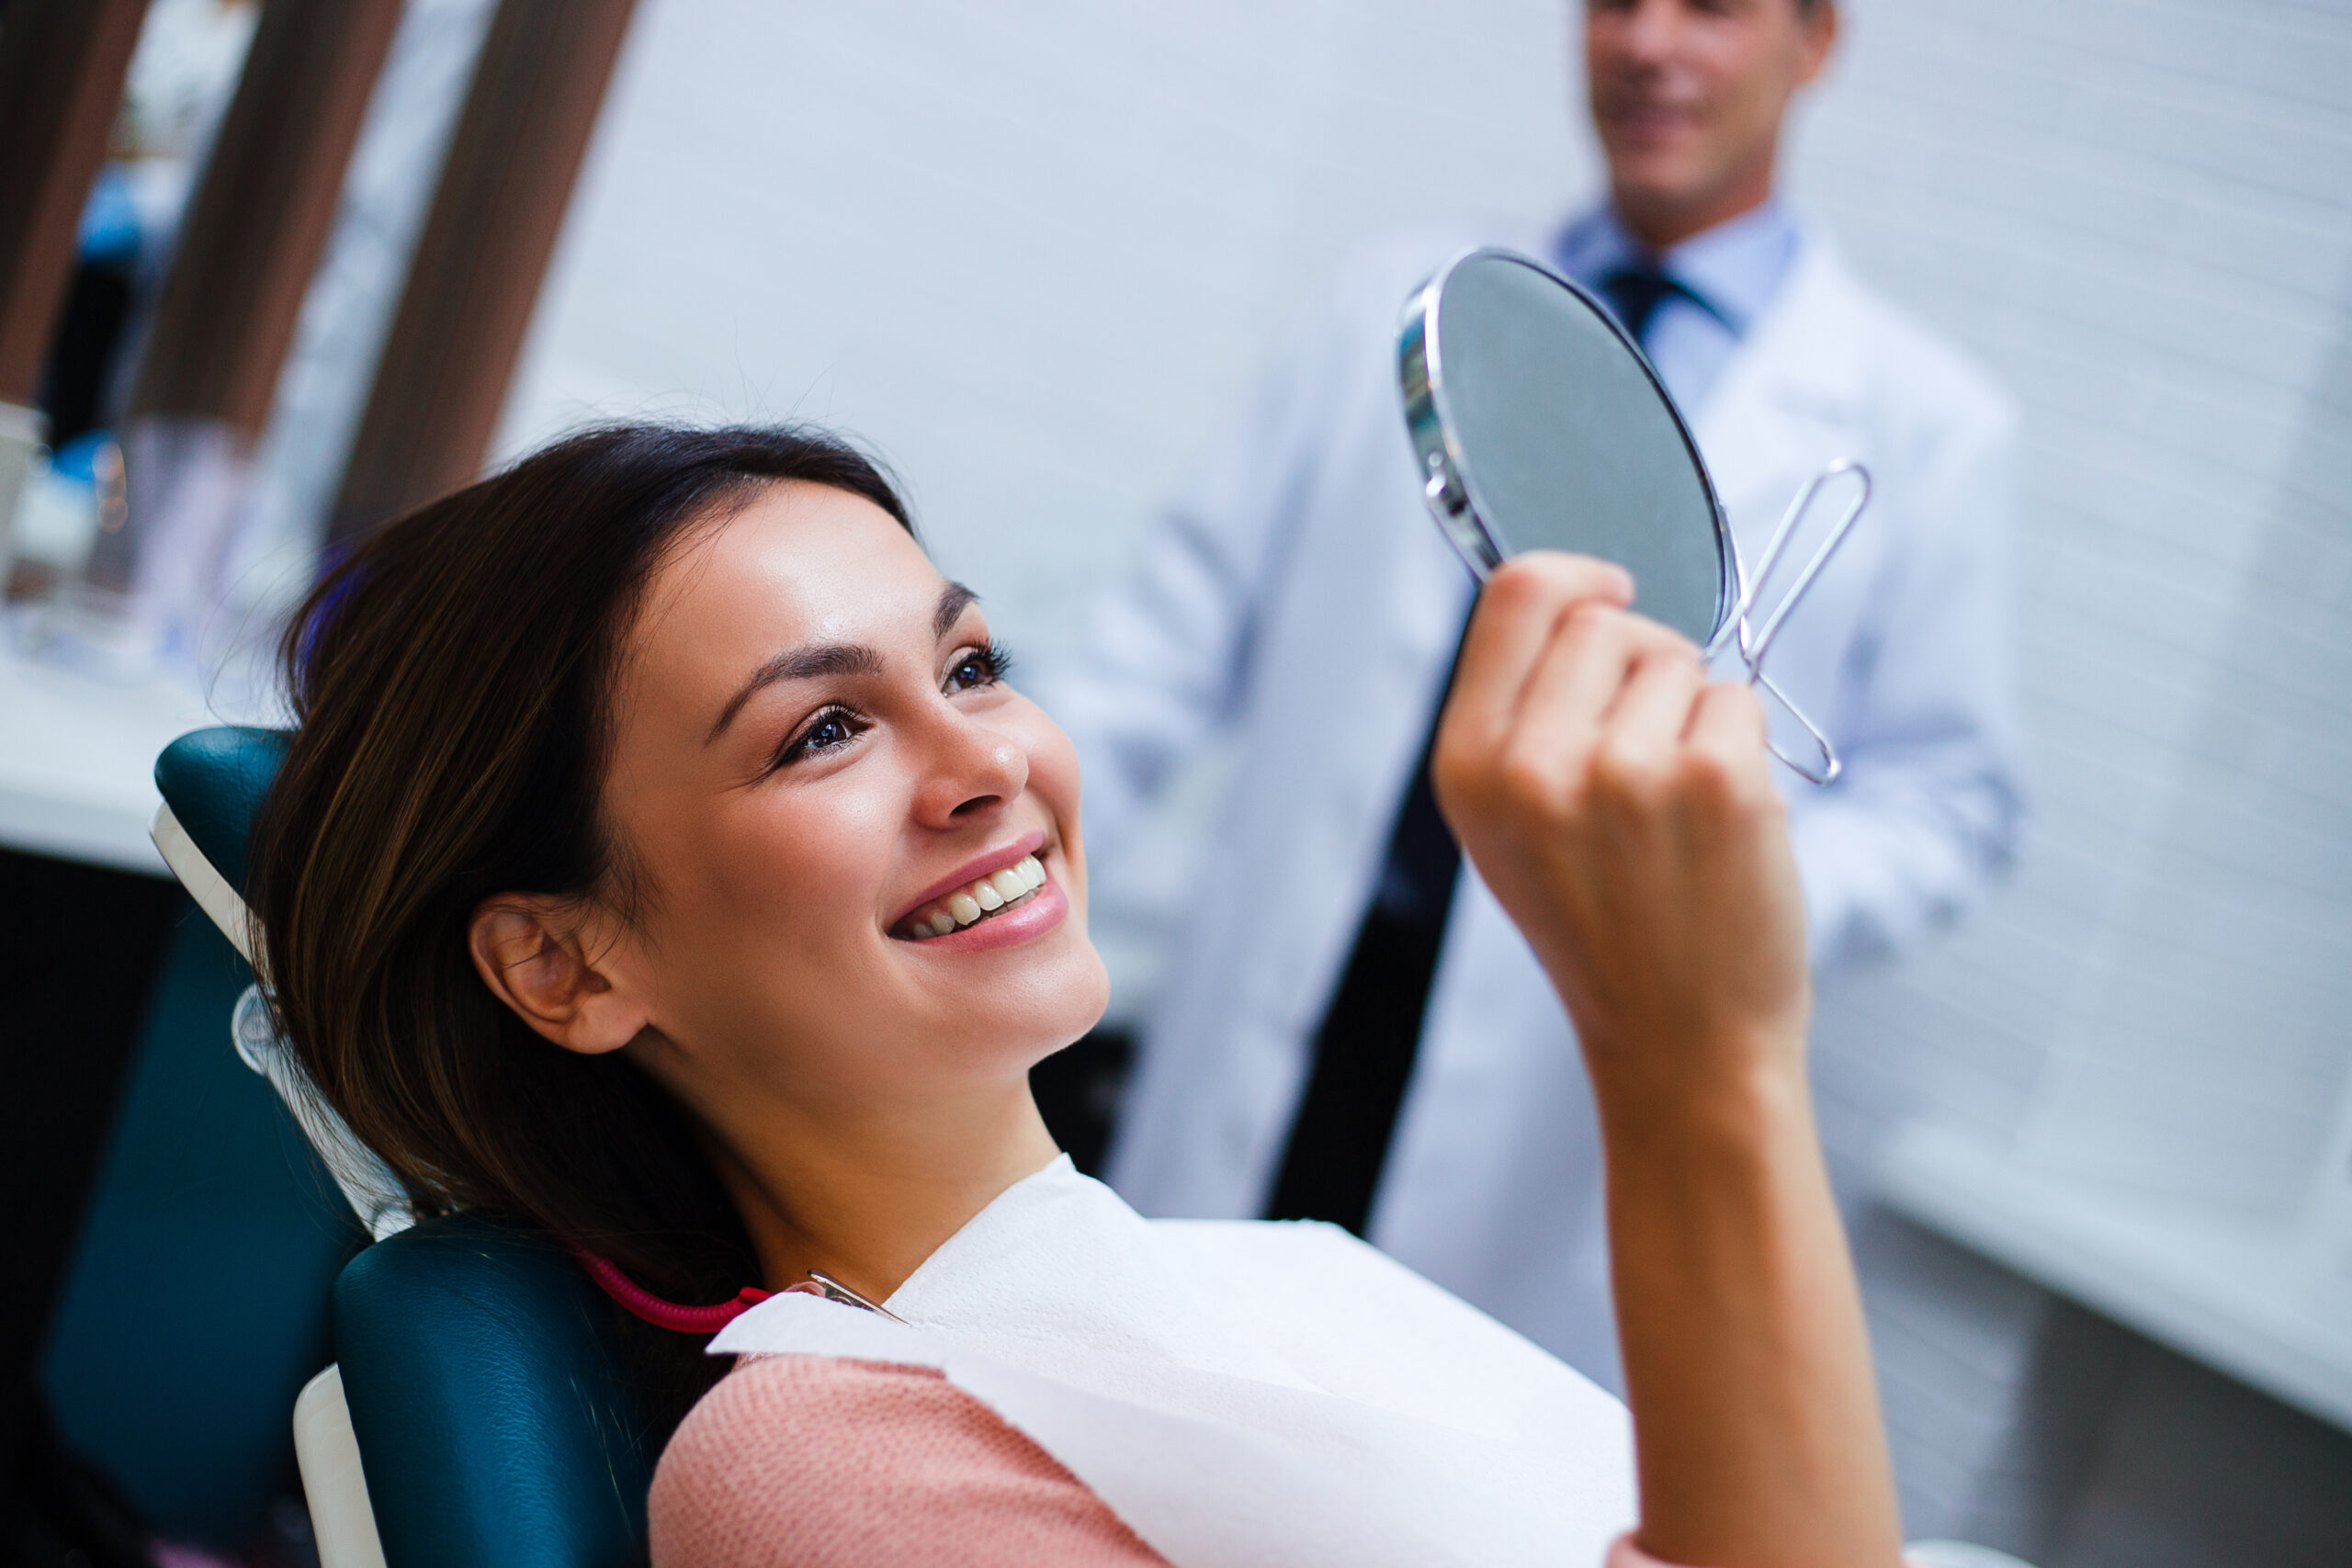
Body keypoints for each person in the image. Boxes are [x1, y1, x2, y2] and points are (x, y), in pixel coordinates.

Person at [250, 423, 1905, 1567]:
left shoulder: (1278, 1283)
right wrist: (1700, 1067)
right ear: (567, 962)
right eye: (823, 730)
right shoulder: (826, 1472)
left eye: (971, 664)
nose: (989, 762)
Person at [1040, 0, 2024, 1386]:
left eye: (1716, 10)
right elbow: (1169, 632)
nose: (1650, 46)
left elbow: (1951, 802)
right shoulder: (1392, 294)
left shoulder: (1926, 430)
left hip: (1553, 1087)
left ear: (1816, 42)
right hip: (1272, 1012)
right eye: (1618, 0)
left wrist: (1728, 893)